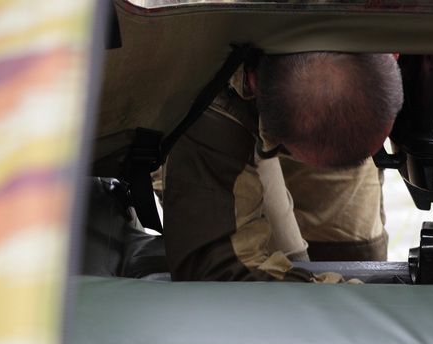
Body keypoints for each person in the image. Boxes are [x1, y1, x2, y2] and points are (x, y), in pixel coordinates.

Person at [162, 51, 404, 282]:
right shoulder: (208, 106)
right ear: (255, 84)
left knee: (353, 254)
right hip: (218, 90)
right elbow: (215, 270)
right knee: (281, 262)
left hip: (318, 89)